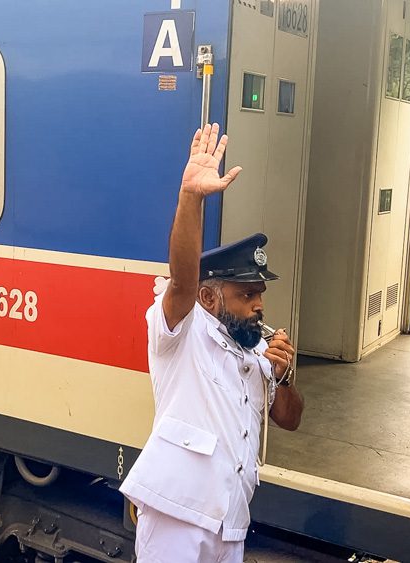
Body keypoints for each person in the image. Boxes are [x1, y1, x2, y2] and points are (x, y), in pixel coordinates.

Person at [120, 124, 305, 562]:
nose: (258, 305)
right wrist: (191, 198)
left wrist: (285, 376)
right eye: (246, 295)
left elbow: (290, 420)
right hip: (177, 515)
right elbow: (182, 278)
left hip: (230, 521)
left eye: (260, 293)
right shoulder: (184, 330)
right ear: (209, 296)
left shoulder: (257, 346)